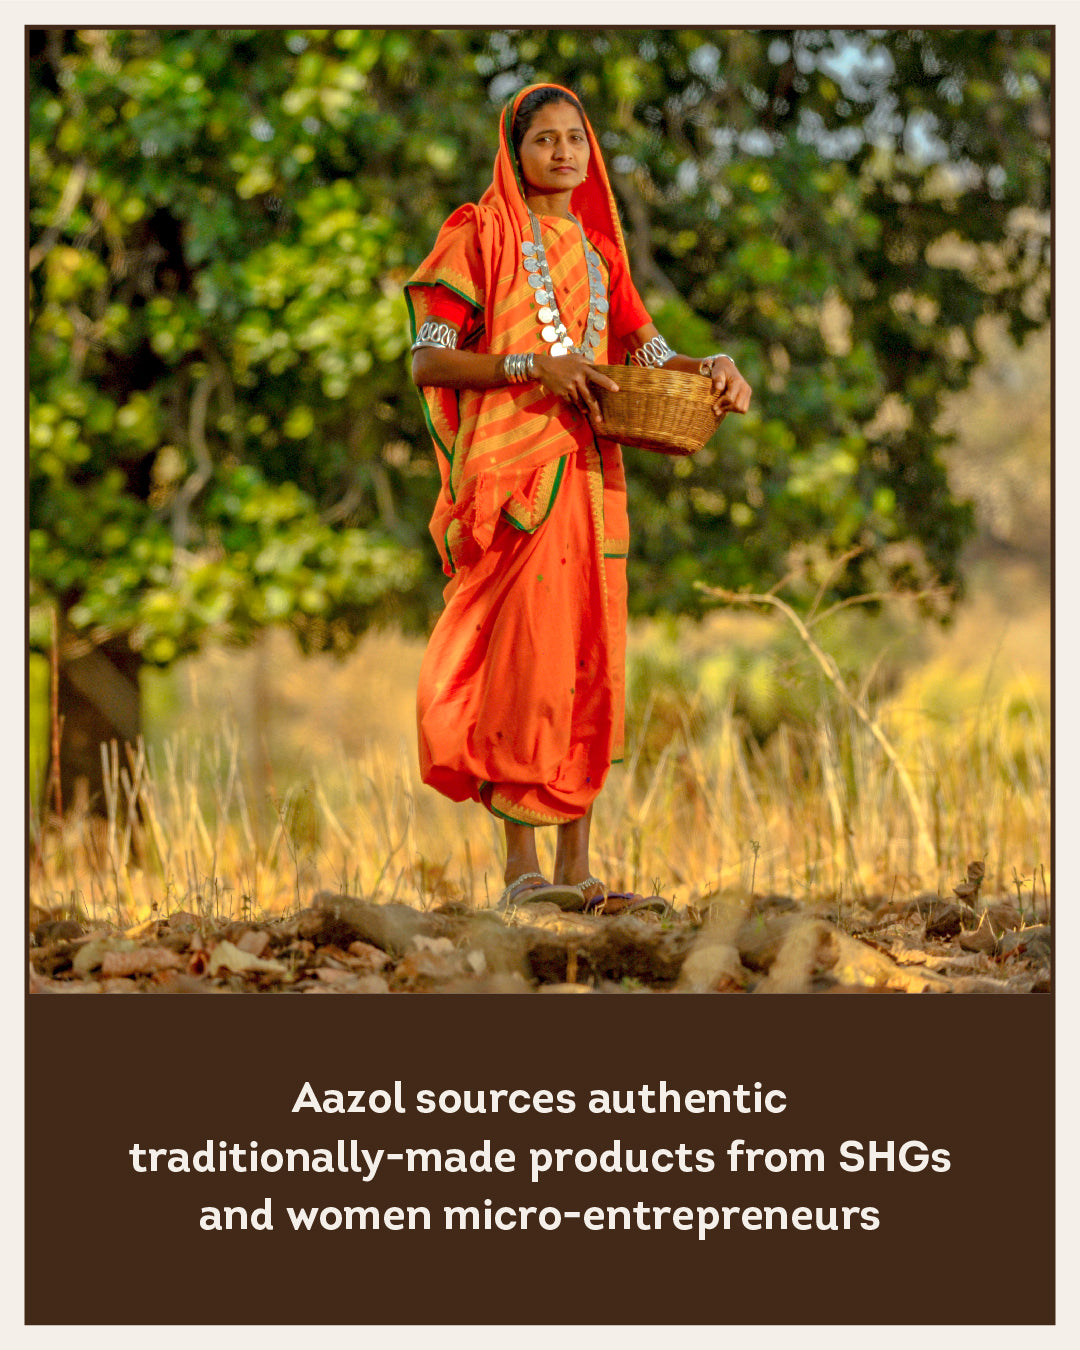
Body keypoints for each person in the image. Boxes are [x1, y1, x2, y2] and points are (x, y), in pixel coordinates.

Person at [405, 83, 752, 910]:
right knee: (519, 667)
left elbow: (651, 350)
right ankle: (521, 874)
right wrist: (532, 367)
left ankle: (577, 874)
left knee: (584, 662)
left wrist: (713, 368)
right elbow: (428, 358)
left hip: (590, 480)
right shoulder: (476, 235)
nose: (564, 153)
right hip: (515, 486)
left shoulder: (600, 253)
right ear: (513, 152)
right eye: (544, 141)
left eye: (575, 139)